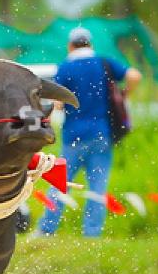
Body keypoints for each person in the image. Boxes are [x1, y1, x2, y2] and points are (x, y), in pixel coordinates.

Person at [38, 26, 141, 239]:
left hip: (74, 135)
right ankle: (92, 234)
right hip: (102, 133)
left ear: (70, 46)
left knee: (60, 183)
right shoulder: (103, 63)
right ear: (90, 44)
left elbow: (57, 103)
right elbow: (134, 75)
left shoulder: (66, 68)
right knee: (97, 187)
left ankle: (47, 229)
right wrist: (125, 95)